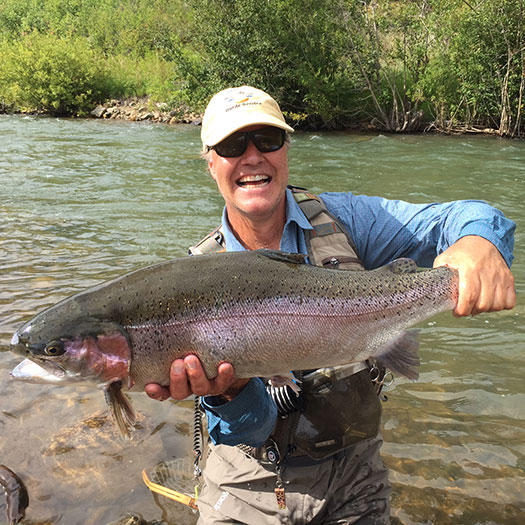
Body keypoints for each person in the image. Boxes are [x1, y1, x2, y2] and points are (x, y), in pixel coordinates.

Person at [145, 86, 516, 524]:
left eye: (267, 140)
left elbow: (465, 215)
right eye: (231, 146)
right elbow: (252, 429)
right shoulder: (193, 282)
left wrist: (478, 242)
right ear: (210, 162)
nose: (252, 157)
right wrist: (231, 391)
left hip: (356, 477)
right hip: (248, 489)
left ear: (286, 149)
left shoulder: (348, 221)